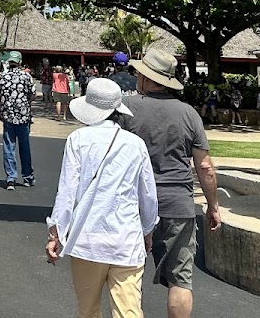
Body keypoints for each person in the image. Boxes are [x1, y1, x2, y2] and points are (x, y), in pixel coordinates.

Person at [122, 49, 221, 318]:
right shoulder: (189, 114)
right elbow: (204, 166)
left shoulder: (126, 108)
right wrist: (213, 205)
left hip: (132, 203)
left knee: (127, 275)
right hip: (177, 202)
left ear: (146, 78)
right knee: (180, 279)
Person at [47, 79, 158, 318]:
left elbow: (67, 192)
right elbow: (148, 195)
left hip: (87, 240)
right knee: (129, 312)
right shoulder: (136, 144)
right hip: (126, 239)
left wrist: (56, 233)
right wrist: (147, 230)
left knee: (88, 311)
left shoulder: (78, 139)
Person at [0, 53, 36, 190]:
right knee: (24, 146)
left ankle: (11, 178)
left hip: (8, 115)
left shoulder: (1, 76)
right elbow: (33, 94)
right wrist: (25, 103)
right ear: (20, 62)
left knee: (8, 146)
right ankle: (27, 176)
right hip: (23, 115)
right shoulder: (26, 76)